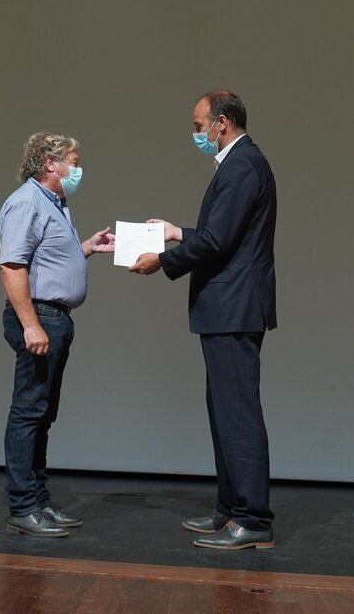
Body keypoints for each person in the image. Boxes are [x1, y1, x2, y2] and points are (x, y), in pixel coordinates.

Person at [129, 90, 277, 550]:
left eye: (199, 126)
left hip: (234, 308)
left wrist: (163, 259)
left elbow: (218, 242)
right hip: (226, 309)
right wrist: (177, 233)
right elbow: (223, 236)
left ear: (222, 123)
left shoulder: (242, 165)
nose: (196, 134)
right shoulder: (237, 164)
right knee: (223, 414)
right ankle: (231, 510)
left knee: (238, 415)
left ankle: (252, 519)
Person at [0, 133, 114, 537]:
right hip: (40, 317)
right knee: (28, 411)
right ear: (51, 163)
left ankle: (39, 499)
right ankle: (22, 506)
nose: (79, 171)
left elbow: (48, 260)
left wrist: (87, 248)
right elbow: (13, 266)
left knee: (43, 413)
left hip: (53, 317)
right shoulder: (27, 203)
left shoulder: (54, 204)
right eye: (74, 163)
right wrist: (31, 324)